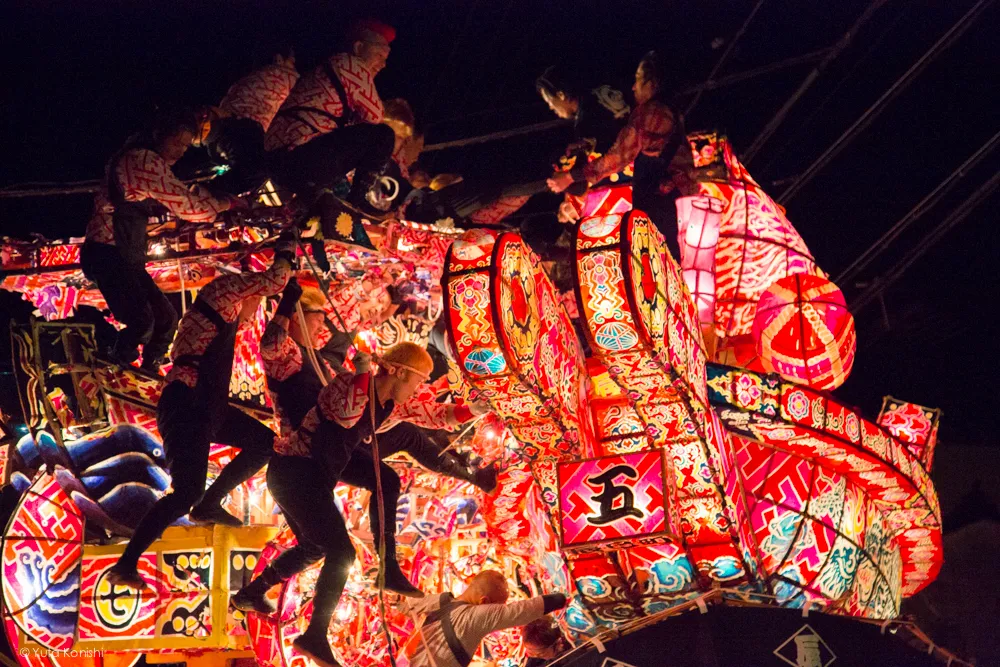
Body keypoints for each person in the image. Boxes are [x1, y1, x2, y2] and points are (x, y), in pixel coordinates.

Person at [232, 342, 484, 667]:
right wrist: (363, 375)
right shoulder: (347, 385)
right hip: (296, 471)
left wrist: (474, 410)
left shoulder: (391, 402)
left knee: (379, 486)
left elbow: (435, 414)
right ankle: (315, 635)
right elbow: (346, 414)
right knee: (342, 553)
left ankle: (254, 593)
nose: (418, 389)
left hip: (319, 471)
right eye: (418, 380)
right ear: (398, 372)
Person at [106, 235, 296, 589]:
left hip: (206, 406)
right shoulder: (221, 293)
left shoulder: (220, 316)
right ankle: (126, 563)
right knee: (184, 492)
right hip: (188, 402)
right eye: (256, 299)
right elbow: (274, 280)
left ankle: (208, 503)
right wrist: (287, 251)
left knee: (264, 443)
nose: (256, 309)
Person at [82, 108, 242, 370]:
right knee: (141, 321)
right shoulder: (143, 161)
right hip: (107, 253)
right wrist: (226, 203)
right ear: (159, 135)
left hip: (125, 255)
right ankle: (116, 365)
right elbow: (189, 206)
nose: (181, 151)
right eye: (177, 142)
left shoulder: (140, 159)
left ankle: (150, 368)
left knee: (166, 319)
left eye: (186, 146)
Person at [547, 51, 695, 261]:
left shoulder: (650, 112)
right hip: (681, 200)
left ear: (653, 84)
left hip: (662, 200)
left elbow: (619, 156)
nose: (633, 87)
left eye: (639, 80)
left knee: (656, 262)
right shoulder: (672, 112)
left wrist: (571, 177)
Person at [265, 19, 398, 246]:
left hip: (281, 158)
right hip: (299, 155)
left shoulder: (329, 69)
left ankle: (305, 220)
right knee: (383, 135)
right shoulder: (350, 64)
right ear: (359, 47)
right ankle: (356, 201)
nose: (383, 64)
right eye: (379, 55)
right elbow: (376, 115)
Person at [399, 570, 569, 667]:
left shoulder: (439, 600)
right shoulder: (476, 616)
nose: (499, 608)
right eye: (498, 605)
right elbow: (522, 610)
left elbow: (402, 605)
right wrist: (563, 598)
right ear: (485, 602)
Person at [204, 53, 301, 195]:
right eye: (291, 61)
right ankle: (211, 193)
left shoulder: (254, 77)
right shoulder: (288, 78)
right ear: (279, 58)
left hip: (222, 126)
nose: (294, 65)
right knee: (254, 170)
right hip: (245, 128)